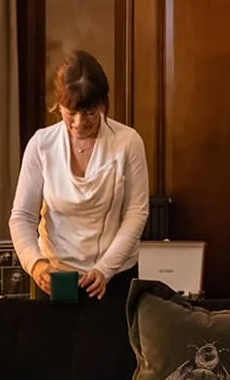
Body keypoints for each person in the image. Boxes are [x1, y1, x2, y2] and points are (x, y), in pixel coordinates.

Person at [9, 50, 149, 300]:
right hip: (55, 278)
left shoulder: (128, 142)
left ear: (103, 104)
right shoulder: (41, 145)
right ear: (58, 104)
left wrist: (105, 268)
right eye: (70, 112)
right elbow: (22, 216)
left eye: (90, 113)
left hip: (114, 276)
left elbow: (136, 213)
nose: (79, 122)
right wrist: (36, 265)